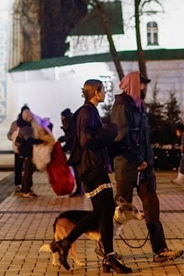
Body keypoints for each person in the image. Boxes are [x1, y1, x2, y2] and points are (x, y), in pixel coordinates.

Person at [49, 79, 131, 273]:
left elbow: (96, 140)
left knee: (102, 213)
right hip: (92, 168)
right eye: (102, 90)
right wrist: (110, 131)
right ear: (95, 92)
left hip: (92, 166)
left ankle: (105, 256)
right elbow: (87, 141)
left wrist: (114, 141)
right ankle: (71, 244)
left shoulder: (89, 111)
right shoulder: (87, 112)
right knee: (104, 211)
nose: (104, 93)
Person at [111, 71, 183, 264]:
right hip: (127, 168)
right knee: (119, 211)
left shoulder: (139, 106)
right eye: (142, 84)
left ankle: (160, 250)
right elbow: (120, 140)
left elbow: (143, 139)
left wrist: (148, 163)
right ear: (133, 84)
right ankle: (105, 248)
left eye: (145, 84)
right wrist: (137, 161)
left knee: (152, 207)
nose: (144, 88)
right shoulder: (121, 106)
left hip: (145, 169)